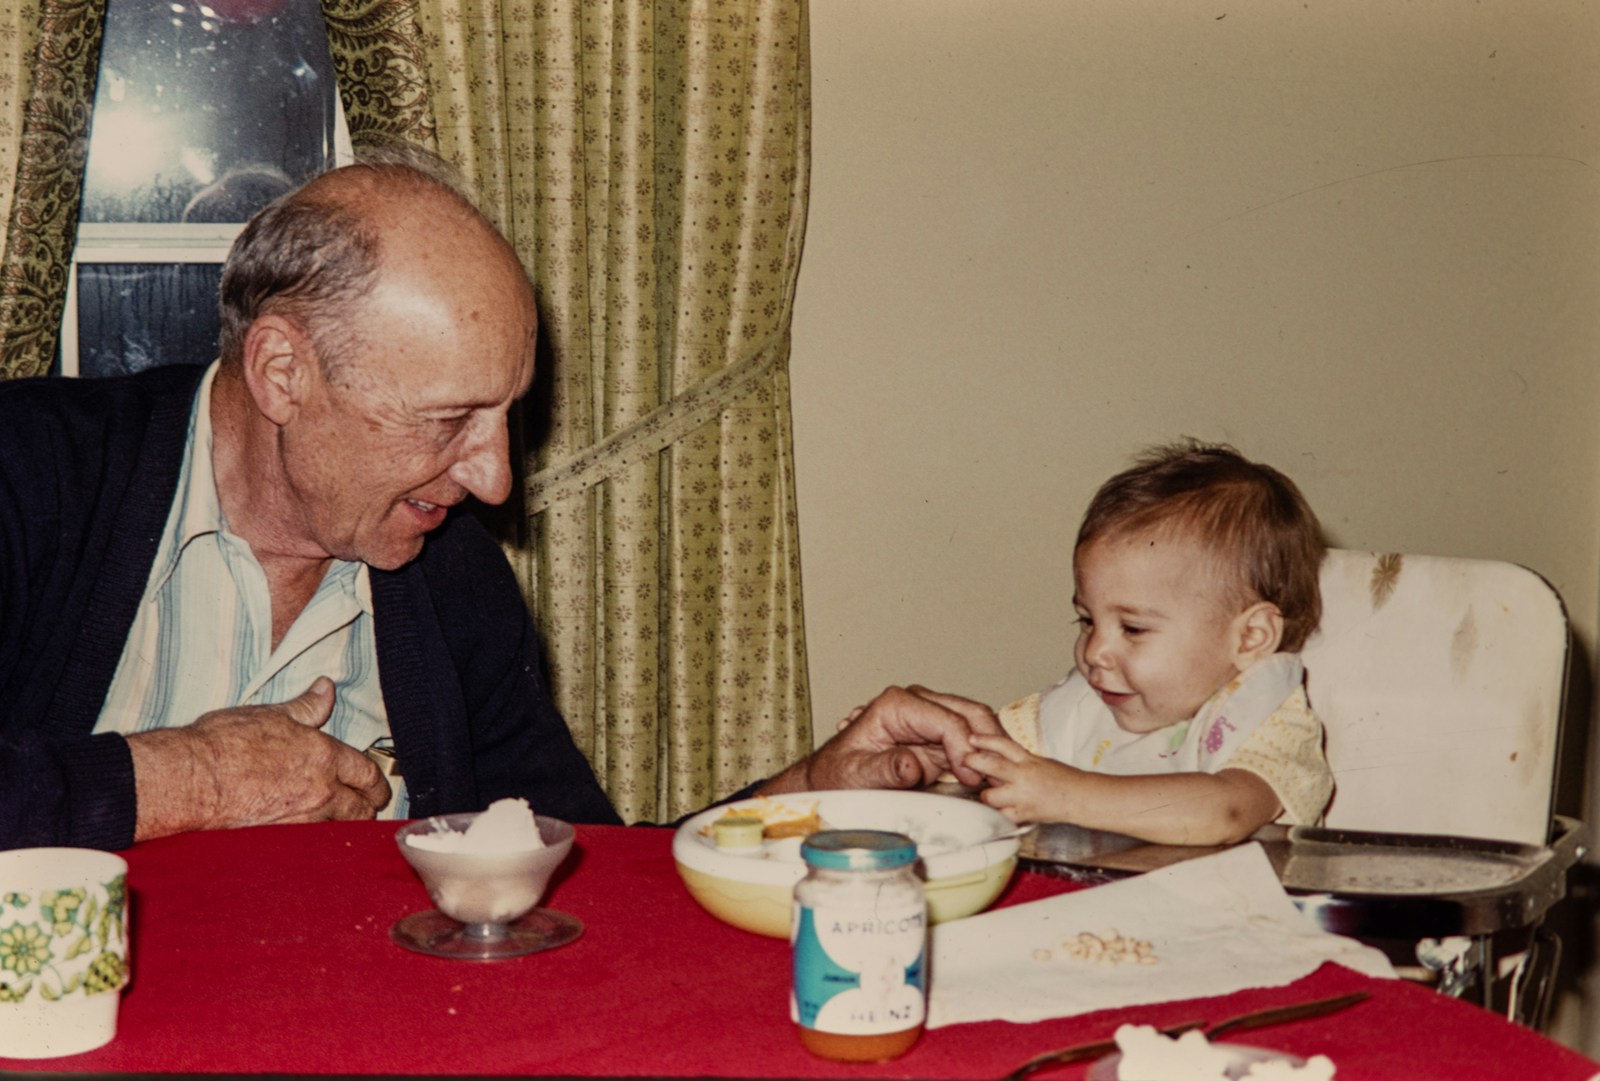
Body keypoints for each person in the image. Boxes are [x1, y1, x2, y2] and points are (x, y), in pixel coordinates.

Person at [0, 153, 993, 851]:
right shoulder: (31, 471)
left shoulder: (444, 568)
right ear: (282, 372)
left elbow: (579, 871)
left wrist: (808, 796)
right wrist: (196, 781)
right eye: (447, 420)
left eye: (506, 415)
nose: (494, 481)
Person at [875, 441, 1334, 846]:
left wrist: (1067, 795)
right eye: (1087, 620)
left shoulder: (1269, 720)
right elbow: (990, 765)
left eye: (1133, 629)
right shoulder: (1085, 708)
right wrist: (929, 755)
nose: (1094, 652)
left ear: (1251, 636)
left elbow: (1226, 813)